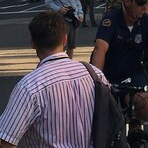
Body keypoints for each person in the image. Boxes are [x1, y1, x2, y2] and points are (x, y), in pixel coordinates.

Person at [0, 11, 105, 148]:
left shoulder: (30, 87)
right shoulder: (95, 75)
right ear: (64, 40)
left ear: (32, 43)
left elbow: (6, 140)